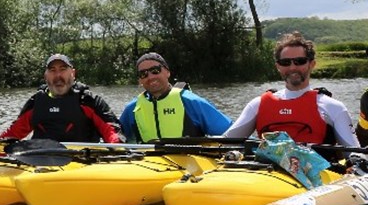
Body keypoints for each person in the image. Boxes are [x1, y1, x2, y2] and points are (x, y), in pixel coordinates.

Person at [222, 32, 358, 148]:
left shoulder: (333, 108)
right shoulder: (257, 105)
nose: (292, 67)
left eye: (300, 61)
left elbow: (355, 154)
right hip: (268, 174)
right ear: (278, 67)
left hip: (316, 176)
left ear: (312, 64)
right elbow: (225, 143)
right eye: (285, 62)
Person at [0, 54, 122, 143]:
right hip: (42, 164)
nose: (58, 76)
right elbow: (11, 135)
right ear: (45, 76)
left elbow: (112, 133)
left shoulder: (88, 100)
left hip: (82, 166)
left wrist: (119, 150)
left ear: (73, 73)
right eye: (52, 70)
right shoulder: (36, 103)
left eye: (63, 69)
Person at [118, 52, 231, 143]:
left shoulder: (191, 101)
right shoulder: (132, 109)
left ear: (167, 72)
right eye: (143, 74)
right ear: (139, 80)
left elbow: (231, 132)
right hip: (149, 165)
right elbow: (118, 138)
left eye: (155, 70)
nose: (151, 77)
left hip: (189, 165)